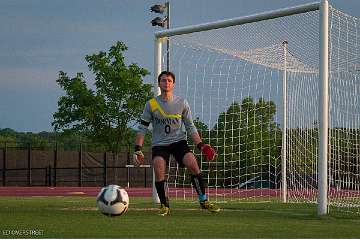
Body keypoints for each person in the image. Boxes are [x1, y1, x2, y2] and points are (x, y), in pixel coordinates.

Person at [132, 71, 220, 216]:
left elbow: (190, 126)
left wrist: (201, 146)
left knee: (193, 163)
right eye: (163, 80)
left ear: (173, 84)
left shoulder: (182, 102)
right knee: (159, 166)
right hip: (159, 144)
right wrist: (138, 149)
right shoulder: (151, 104)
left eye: (169, 81)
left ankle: (203, 201)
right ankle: (164, 205)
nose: (166, 83)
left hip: (178, 142)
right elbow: (142, 128)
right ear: (159, 83)